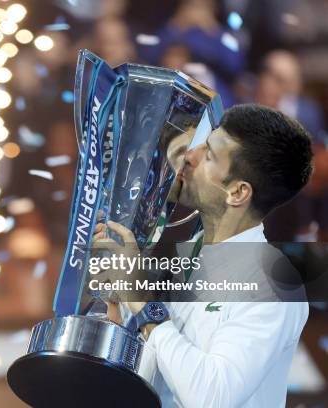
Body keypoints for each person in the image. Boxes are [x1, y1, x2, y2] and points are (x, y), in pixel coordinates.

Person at [94, 104, 312, 407]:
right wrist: (118, 321)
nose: (189, 157)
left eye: (208, 155)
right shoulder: (182, 258)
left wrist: (143, 305)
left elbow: (213, 397)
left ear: (237, 193)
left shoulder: (273, 283)